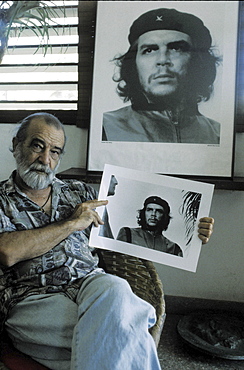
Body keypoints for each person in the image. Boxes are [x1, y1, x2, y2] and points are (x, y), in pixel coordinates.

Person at [0, 113, 214, 370]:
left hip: (91, 283)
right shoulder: (2, 199)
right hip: (33, 297)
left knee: (116, 290)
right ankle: (135, 319)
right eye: (37, 146)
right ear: (16, 145)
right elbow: (7, 252)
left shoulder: (78, 191)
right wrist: (70, 224)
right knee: (124, 331)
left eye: (55, 152)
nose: (46, 160)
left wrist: (192, 232)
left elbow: (124, 228)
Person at [102, 7, 221, 144]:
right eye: (150, 50)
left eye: (176, 48)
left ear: (197, 62)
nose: (162, 60)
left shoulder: (217, 134)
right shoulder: (105, 128)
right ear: (133, 65)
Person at [117, 196, 183, 256]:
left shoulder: (174, 248)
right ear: (144, 213)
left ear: (164, 216)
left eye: (158, 211)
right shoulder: (128, 234)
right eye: (149, 210)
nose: (153, 214)